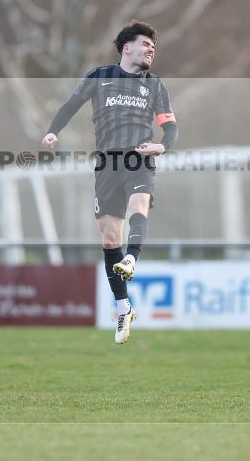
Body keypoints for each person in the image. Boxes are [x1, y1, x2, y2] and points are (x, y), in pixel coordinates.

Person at [42, 20, 178, 345]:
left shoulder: (155, 85)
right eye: (146, 45)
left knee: (138, 204)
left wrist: (162, 146)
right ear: (127, 47)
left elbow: (170, 126)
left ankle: (132, 258)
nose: (151, 50)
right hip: (106, 164)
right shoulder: (99, 76)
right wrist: (52, 131)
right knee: (108, 238)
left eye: (153, 47)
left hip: (138, 158)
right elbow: (70, 106)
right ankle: (124, 309)